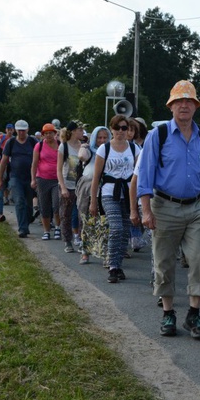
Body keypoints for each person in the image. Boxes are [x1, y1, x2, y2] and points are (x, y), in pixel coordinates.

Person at [137, 80, 200, 340]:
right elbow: (145, 176)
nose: (184, 105)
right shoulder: (158, 135)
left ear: (196, 106)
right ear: (171, 106)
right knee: (164, 262)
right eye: (179, 101)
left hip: (197, 207)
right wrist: (146, 211)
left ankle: (194, 313)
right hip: (164, 206)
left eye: (189, 101)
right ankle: (168, 312)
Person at [90, 115, 138, 283]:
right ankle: (112, 266)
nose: (121, 131)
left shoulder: (134, 149)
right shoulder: (104, 148)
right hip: (109, 192)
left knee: (125, 230)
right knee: (116, 228)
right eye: (117, 127)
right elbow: (96, 177)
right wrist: (93, 201)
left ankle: (118, 265)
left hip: (128, 193)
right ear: (112, 129)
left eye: (124, 128)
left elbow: (139, 175)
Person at [0, 120, 38, 238]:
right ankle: (22, 229)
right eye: (19, 130)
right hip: (15, 177)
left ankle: (26, 222)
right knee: (19, 201)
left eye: (23, 130)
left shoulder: (32, 141)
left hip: (30, 177)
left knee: (29, 205)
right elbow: (4, 161)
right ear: (15, 130)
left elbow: (40, 156)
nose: (21, 132)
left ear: (27, 130)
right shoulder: (11, 142)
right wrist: (0, 179)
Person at [77, 125, 111, 264]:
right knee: (88, 222)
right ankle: (85, 252)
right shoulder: (89, 150)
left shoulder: (111, 151)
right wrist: (85, 146)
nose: (102, 140)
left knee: (104, 224)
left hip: (106, 189)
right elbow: (82, 157)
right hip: (88, 188)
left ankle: (105, 254)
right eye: (99, 137)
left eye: (105, 137)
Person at [57, 120, 84, 253]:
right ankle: (67, 241)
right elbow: (59, 169)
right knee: (66, 214)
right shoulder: (64, 147)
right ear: (73, 131)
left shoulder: (83, 146)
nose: (82, 132)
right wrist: (63, 187)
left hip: (81, 186)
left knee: (80, 214)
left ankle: (80, 238)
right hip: (68, 185)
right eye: (80, 129)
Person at [31, 123, 61, 241]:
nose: (48, 135)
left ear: (55, 134)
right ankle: (46, 230)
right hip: (42, 179)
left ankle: (58, 227)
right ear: (43, 135)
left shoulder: (60, 145)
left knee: (57, 204)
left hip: (57, 179)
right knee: (44, 205)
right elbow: (34, 164)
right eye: (46, 133)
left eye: (51, 133)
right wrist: (33, 179)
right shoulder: (39, 146)